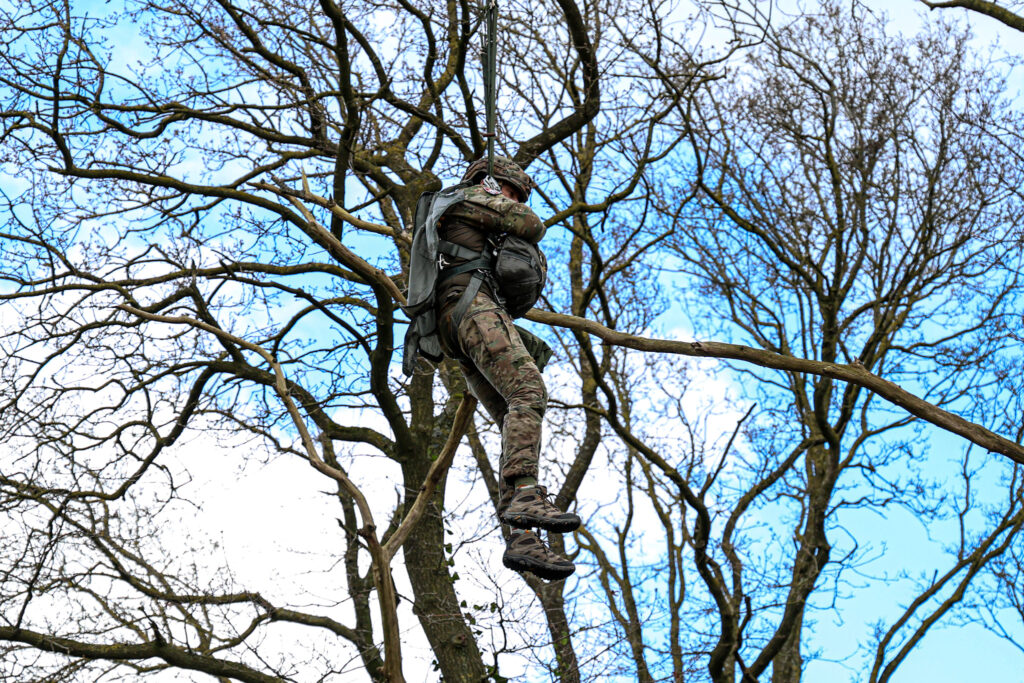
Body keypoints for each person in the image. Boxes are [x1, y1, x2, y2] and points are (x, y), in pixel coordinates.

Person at [435, 156, 581, 581]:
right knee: (529, 391)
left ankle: (520, 536)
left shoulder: (466, 213)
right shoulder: (466, 199)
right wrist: (502, 203)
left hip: (461, 319)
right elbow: (532, 226)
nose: (514, 201)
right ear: (491, 184)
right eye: (511, 192)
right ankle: (526, 493)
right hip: (471, 308)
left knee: (512, 420)